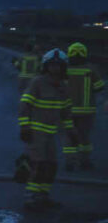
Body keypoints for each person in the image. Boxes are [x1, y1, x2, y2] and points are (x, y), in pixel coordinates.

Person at [19, 48, 76, 210]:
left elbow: (66, 111)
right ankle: (30, 199)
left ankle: (43, 197)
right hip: (36, 133)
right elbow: (25, 105)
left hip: (50, 133)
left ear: (63, 67)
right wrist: (24, 126)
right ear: (46, 66)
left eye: (58, 66)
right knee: (39, 165)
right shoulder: (38, 82)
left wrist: (71, 130)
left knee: (52, 166)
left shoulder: (63, 87)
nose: (55, 68)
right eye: (52, 65)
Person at [64, 42, 104, 171]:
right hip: (87, 111)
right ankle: (84, 162)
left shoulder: (64, 70)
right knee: (84, 137)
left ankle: (69, 162)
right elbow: (99, 87)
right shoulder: (91, 70)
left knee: (70, 136)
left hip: (68, 111)